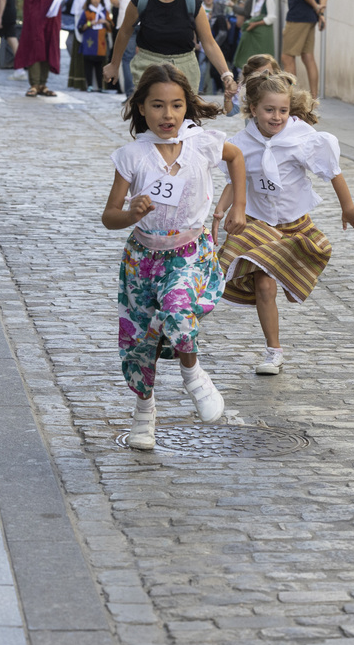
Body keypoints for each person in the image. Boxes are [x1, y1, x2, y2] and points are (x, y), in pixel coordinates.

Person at [102, 64, 247, 449]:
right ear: (142, 108)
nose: (168, 115)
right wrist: (131, 213)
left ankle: (194, 376)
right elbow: (108, 216)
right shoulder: (132, 156)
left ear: (187, 106)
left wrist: (238, 208)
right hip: (143, 260)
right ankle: (144, 413)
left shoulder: (202, 143)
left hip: (190, 253)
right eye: (158, 106)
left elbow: (237, 158)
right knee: (140, 340)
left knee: (178, 308)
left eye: (177, 105)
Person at [214, 72, 354, 376]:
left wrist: (347, 208)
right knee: (263, 283)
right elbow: (236, 180)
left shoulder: (303, 138)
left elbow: (332, 171)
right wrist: (220, 211)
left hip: (293, 225)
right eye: (269, 110)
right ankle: (274, 350)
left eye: (283, 110)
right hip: (258, 224)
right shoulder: (241, 144)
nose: (277, 116)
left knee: (267, 278)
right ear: (254, 108)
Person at [104, 0, 238, 103]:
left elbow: (209, 42)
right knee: (153, 119)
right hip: (148, 68)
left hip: (185, 70)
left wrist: (226, 75)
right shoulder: (141, 0)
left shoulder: (192, 2)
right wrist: (114, 65)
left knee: (181, 123)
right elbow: (125, 32)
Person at [110, 0, 153, 97]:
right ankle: (146, 94)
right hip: (149, 20)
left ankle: (131, 94)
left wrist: (123, 5)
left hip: (125, 20)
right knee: (149, 58)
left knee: (127, 58)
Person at [67, 0, 108, 91]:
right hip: (87, 29)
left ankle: (100, 85)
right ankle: (85, 83)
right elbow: (80, 9)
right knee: (87, 58)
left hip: (100, 31)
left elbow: (106, 7)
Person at [233, 0, 275, 76]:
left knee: (263, 57)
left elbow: (271, 17)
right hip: (254, 30)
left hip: (263, 32)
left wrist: (256, 23)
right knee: (248, 52)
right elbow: (253, 14)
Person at [77, 0, 111, 92]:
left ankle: (100, 87)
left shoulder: (104, 12)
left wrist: (105, 22)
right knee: (88, 65)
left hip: (101, 43)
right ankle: (90, 85)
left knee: (100, 66)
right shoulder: (87, 12)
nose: (96, 0)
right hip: (89, 43)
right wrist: (89, 23)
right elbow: (80, 27)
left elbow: (111, 27)